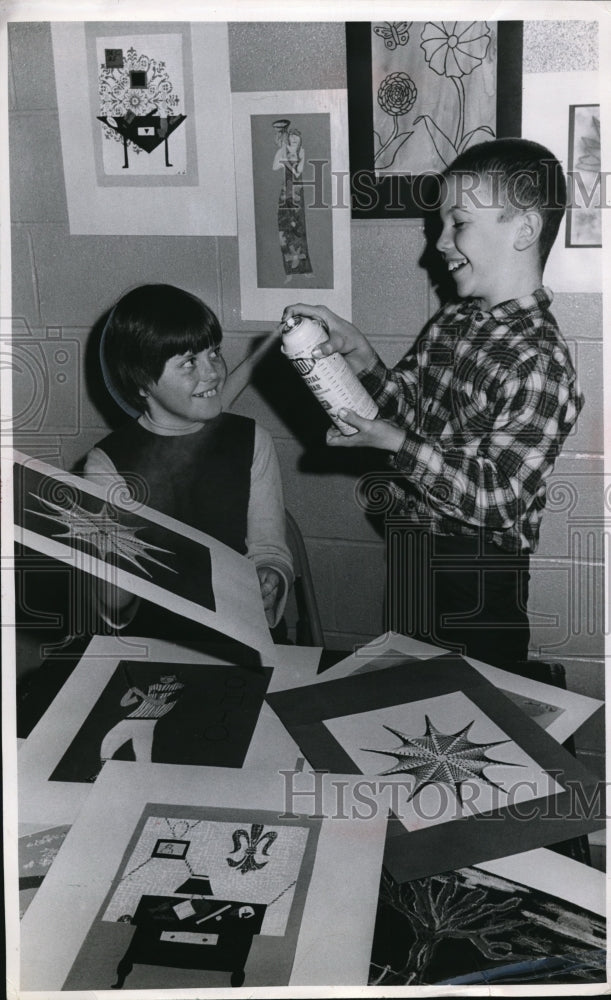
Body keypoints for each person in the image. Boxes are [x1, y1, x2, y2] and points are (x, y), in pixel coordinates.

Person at [284, 138, 584, 667]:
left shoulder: (540, 361)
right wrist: (363, 360)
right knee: (406, 698)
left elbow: (499, 499)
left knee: (478, 719)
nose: (439, 243)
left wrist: (395, 443)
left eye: (458, 222)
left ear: (525, 230)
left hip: (481, 579)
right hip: (414, 553)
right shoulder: (454, 319)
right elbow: (403, 409)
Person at [84, 283, 293, 640]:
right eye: (189, 362)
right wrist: (112, 573)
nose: (212, 372)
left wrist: (270, 574)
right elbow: (113, 607)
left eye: (214, 353)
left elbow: (269, 548)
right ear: (142, 382)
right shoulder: (106, 466)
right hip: (158, 643)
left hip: (241, 632)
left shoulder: (252, 439)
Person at [272, 120, 313, 277]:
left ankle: (305, 269)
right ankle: (289, 270)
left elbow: (299, 171)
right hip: (286, 191)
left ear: (300, 140)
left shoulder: (301, 151)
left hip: (297, 191)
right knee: (285, 228)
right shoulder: (282, 151)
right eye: (292, 137)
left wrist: (291, 162)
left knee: (299, 227)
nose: (294, 140)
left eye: (297, 138)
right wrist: (282, 158)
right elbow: (275, 167)